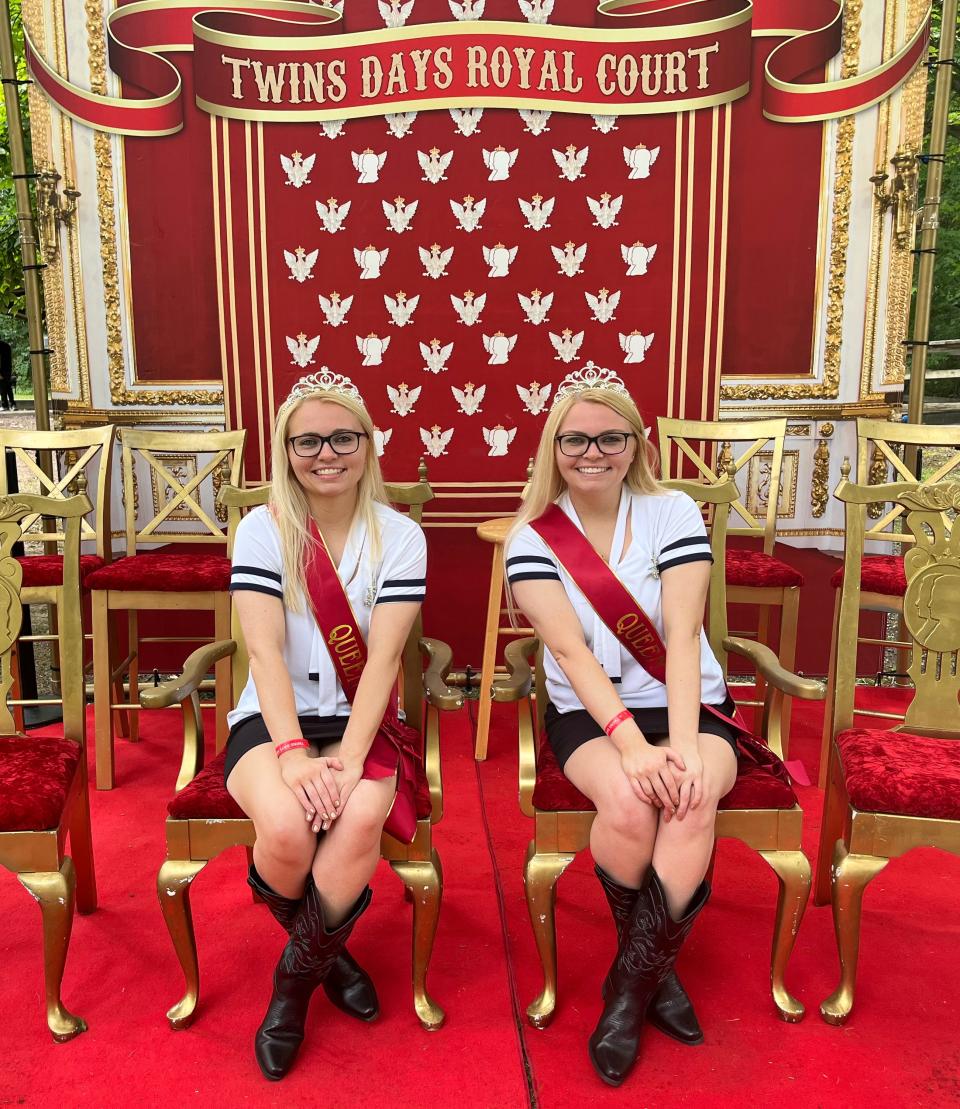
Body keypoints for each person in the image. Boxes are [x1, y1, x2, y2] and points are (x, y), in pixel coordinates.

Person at [505, 363, 739, 1087]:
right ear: (553, 448)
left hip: (687, 701)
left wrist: (680, 746)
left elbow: (681, 630)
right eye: (575, 440)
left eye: (610, 437)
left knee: (691, 795)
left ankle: (630, 990)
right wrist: (634, 748)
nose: (592, 452)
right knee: (634, 803)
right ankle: (656, 974)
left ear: (635, 444)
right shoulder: (531, 537)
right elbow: (571, 655)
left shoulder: (671, 512)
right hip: (591, 713)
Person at [224, 367, 427, 1080]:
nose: (326, 452)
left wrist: (345, 759)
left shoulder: (401, 536)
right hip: (271, 718)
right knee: (283, 829)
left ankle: (290, 989)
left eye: (343, 436)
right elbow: (263, 652)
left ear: (369, 445)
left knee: (358, 819)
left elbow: (384, 663)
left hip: (361, 721)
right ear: (285, 450)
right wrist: (289, 755)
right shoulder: (261, 530)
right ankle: (332, 955)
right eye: (307, 440)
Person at [0, 340, 15, 410]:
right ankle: (12, 404)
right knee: (8, 387)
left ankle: (5, 405)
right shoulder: (7, 346)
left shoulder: (4, 346)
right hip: (7, 370)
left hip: (2, 371)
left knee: (3, 388)